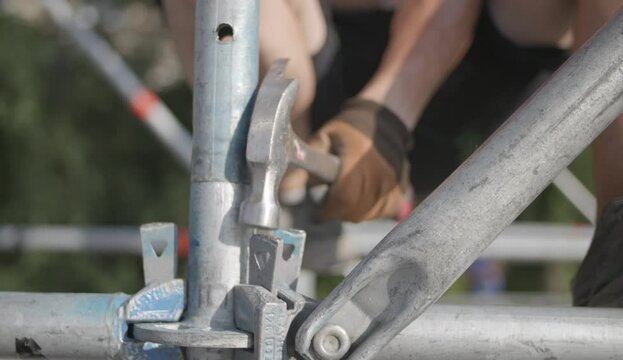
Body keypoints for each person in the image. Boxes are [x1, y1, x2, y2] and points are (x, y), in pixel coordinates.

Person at [160, 0, 623, 307]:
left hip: (468, 75)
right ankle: (285, 194)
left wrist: (383, 118)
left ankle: (616, 250)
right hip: (308, 71)